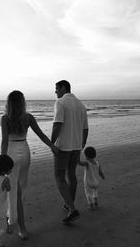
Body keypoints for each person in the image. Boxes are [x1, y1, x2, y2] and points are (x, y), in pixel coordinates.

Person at [1, 90, 58, 239]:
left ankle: (15, 223)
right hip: (25, 152)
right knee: (22, 187)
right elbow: (41, 135)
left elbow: (4, 141)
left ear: (9, 103)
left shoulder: (5, 119)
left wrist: (2, 159)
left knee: (13, 191)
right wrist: (52, 146)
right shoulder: (28, 117)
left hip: (11, 153)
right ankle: (16, 223)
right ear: (22, 102)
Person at [51, 80, 89, 224]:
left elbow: (57, 124)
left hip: (63, 146)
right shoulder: (81, 104)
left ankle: (72, 209)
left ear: (63, 88)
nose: (55, 92)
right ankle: (69, 204)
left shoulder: (60, 102)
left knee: (59, 176)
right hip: (76, 145)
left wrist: (51, 143)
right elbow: (85, 128)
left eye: (57, 89)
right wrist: (82, 143)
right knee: (71, 174)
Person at [79, 146, 105, 210]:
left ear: (86, 156)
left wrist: (76, 157)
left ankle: (91, 205)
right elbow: (100, 172)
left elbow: (80, 163)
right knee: (95, 191)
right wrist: (102, 176)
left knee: (88, 193)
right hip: (96, 182)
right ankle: (95, 202)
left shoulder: (87, 163)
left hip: (88, 183)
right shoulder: (97, 163)